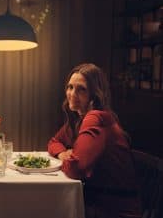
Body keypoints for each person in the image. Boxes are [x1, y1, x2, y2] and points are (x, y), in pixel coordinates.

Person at [47, 63, 142, 218]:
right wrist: (63, 154)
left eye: (81, 89)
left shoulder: (96, 117)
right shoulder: (79, 119)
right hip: (96, 202)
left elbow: (75, 170)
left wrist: (72, 159)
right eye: (70, 87)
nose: (72, 94)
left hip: (113, 209)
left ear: (94, 94)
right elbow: (53, 142)